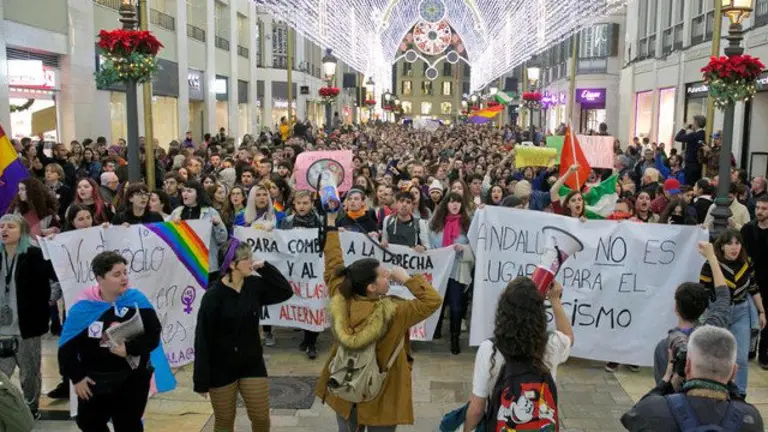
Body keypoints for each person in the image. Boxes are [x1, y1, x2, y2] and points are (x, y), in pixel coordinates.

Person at [315, 210, 442, 431]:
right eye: (384, 275)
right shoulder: (395, 311)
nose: (389, 275)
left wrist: (331, 225)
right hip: (381, 392)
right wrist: (407, 279)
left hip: (345, 387)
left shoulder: (340, 295)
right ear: (371, 287)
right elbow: (433, 300)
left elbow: (333, 262)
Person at [58, 251, 174, 432]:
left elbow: (153, 335)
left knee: (128, 425)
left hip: (132, 378)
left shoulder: (137, 301)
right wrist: (77, 377)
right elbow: (66, 349)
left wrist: (129, 348)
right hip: (95, 380)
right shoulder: (83, 308)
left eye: (125, 273)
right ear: (100, 278)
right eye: (116, 274)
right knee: (88, 422)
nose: (124, 278)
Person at [193, 239, 292, 432]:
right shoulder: (213, 296)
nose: (251, 261)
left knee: (261, 418)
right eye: (246, 258)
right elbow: (202, 338)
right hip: (220, 369)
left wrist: (266, 269)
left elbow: (285, 292)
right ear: (232, 264)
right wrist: (201, 380)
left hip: (251, 363)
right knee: (224, 421)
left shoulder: (253, 285)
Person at [461, 278, 573, 432]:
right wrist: (555, 300)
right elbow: (568, 337)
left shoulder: (489, 349)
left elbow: (477, 409)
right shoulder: (550, 344)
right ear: (539, 311)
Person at [621, 325, 764, 431]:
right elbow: (739, 403)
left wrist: (666, 381)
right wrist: (732, 388)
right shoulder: (751, 419)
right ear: (734, 372)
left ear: (687, 366)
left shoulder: (653, 409)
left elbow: (631, 418)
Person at [0, 214, 58, 419]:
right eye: (1, 227)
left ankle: (30, 409)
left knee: (29, 374)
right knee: (1, 376)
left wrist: (47, 301)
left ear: (22, 231)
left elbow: (56, 281)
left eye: (10, 227)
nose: (4, 230)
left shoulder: (34, 254)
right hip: (1, 328)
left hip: (28, 326)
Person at [652, 241, 732, 384]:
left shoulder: (665, 346)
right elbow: (724, 296)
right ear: (703, 309)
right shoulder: (712, 331)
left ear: (676, 308)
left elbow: (662, 385)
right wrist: (712, 257)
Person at [700, 230, 766, 397]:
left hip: (741, 312)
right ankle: (715, 389)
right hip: (719, 312)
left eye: (737, 243)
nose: (734, 247)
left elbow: (753, 288)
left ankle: (740, 394)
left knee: (741, 358)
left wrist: (762, 311)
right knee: (716, 357)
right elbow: (704, 292)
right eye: (730, 243)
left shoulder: (747, 263)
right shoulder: (711, 265)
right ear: (722, 246)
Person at [428, 192, 474, 353]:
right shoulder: (435, 225)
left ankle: (455, 338)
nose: (455, 205)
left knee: (456, 306)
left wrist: (464, 249)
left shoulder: (468, 225)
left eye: (458, 202)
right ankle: (437, 328)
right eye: (451, 202)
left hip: (458, 271)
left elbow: (475, 249)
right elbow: (430, 247)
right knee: (438, 302)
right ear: (446, 204)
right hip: (440, 272)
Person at [169, 180, 228, 284]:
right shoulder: (176, 212)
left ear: (198, 194)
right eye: (183, 191)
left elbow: (222, 239)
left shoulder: (210, 212)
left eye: (189, 191)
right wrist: (172, 226)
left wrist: (218, 224)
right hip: (184, 265)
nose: (185, 194)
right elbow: (168, 239)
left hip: (207, 266)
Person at [742, 195, 768, 369]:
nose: (759, 211)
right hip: (751, 278)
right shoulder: (748, 229)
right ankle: (750, 349)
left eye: (763, 208)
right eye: (758, 207)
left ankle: (764, 353)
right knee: (750, 316)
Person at [7, 177, 61, 242]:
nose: (19, 193)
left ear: (32, 191)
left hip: (37, 249)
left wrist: (52, 231)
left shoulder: (48, 213)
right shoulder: (15, 208)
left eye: (22, 189)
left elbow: (57, 233)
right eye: (19, 189)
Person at [674, 115, 706, 186]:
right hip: (699, 166)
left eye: (693, 122)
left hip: (690, 166)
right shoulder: (703, 134)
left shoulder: (693, 135)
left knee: (689, 186)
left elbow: (678, 138)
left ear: (696, 123)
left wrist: (684, 128)